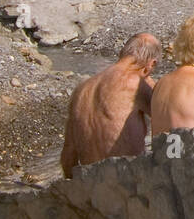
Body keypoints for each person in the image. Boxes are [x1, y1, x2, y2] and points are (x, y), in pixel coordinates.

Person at [60, 33, 161, 177]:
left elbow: (68, 155)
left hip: (90, 182)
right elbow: (169, 119)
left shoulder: (82, 89)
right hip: (125, 179)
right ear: (151, 64)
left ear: (123, 53)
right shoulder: (136, 84)